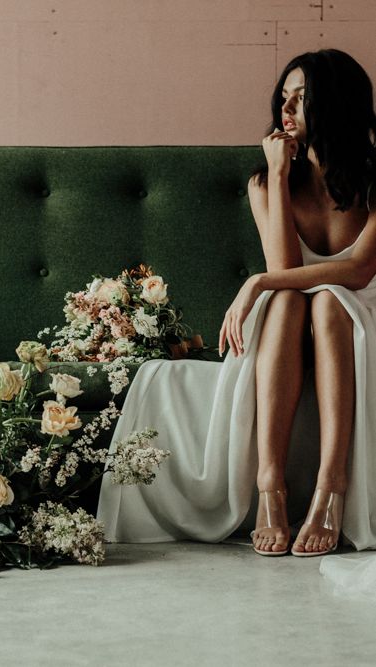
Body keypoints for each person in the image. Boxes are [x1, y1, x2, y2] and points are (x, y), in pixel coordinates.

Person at [96, 48, 376, 559]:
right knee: (292, 301)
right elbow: (287, 273)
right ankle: (271, 485)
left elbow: (359, 272)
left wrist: (254, 283)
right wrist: (276, 175)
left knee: (329, 303)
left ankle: (331, 488)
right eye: (283, 97)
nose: (286, 109)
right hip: (292, 312)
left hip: (361, 312)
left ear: (336, 104)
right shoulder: (264, 182)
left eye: (302, 98)